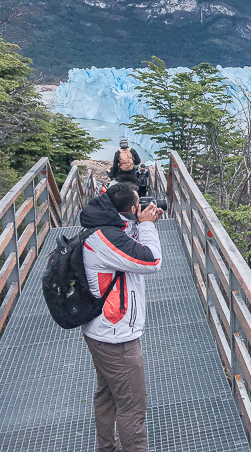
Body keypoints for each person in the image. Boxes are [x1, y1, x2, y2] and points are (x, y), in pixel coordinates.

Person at [79, 182, 163, 452]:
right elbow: (151, 260)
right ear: (130, 209)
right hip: (116, 339)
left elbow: (126, 244)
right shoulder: (104, 238)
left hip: (101, 331)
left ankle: (106, 448)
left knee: (108, 396)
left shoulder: (105, 227)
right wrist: (147, 226)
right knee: (132, 408)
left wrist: (140, 224)